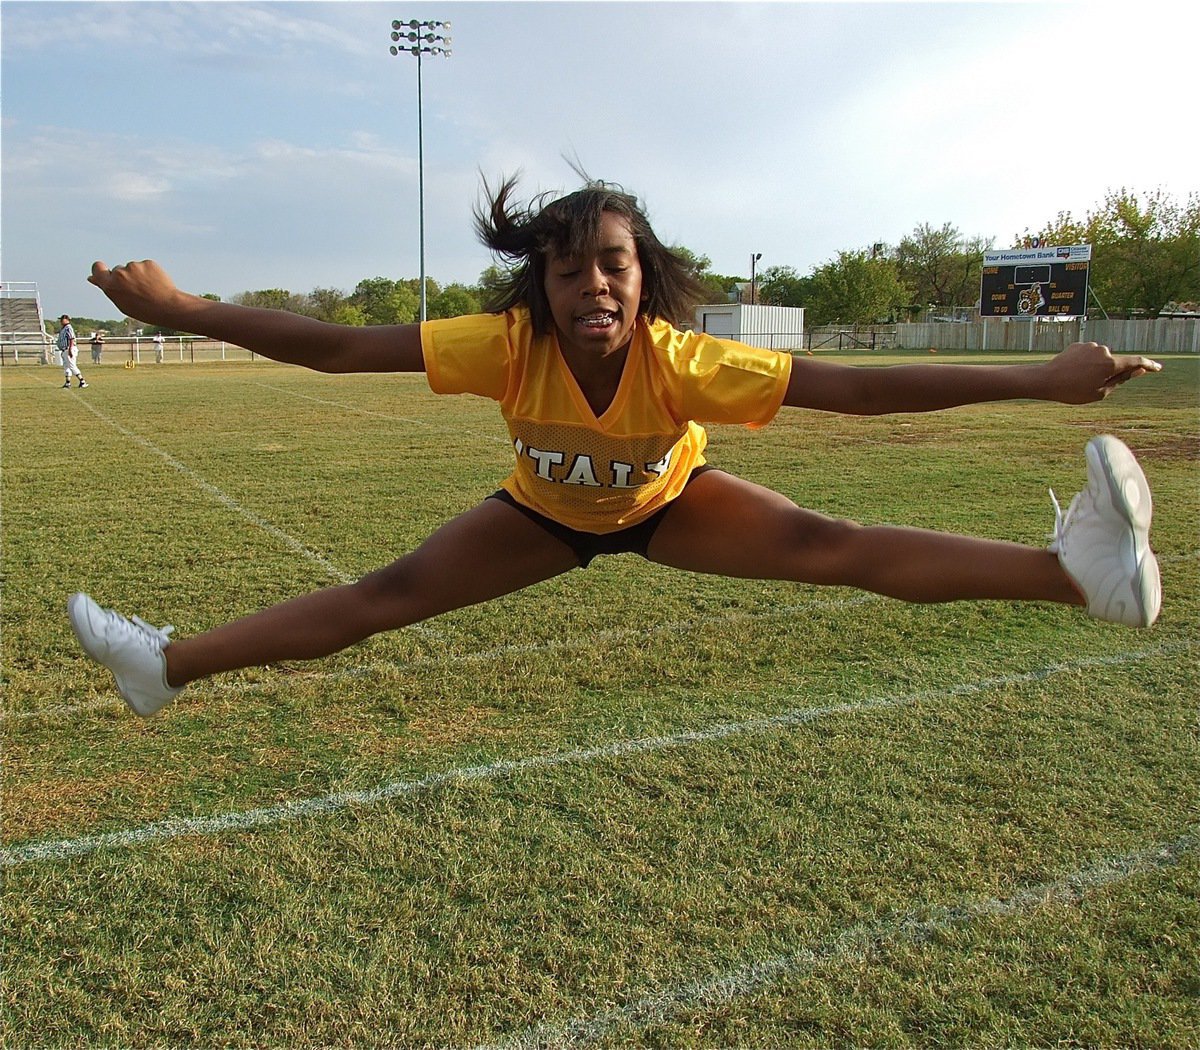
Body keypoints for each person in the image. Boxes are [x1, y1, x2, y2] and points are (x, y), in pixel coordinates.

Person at [69, 175, 1164, 719]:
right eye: (567, 267)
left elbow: (857, 388)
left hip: (666, 504)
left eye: (613, 264)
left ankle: (1081, 578)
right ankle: (163, 667)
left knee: (835, 544)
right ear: (540, 287)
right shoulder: (505, 345)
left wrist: (1041, 379)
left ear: (644, 280)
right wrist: (185, 310)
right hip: (543, 514)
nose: (591, 281)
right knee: (381, 597)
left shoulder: (681, 362)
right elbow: (339, 347)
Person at [57, 314, 88, 389]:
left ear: (67, 320)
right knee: (66, 366)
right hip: (64, 349)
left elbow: (71, 338)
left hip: (69, 349)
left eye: (62, 319)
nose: (61, 321)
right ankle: (68, 382)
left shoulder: (68, 328)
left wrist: (70, 349)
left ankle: (82, 381)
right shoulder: (63, 328)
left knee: (72, 365)